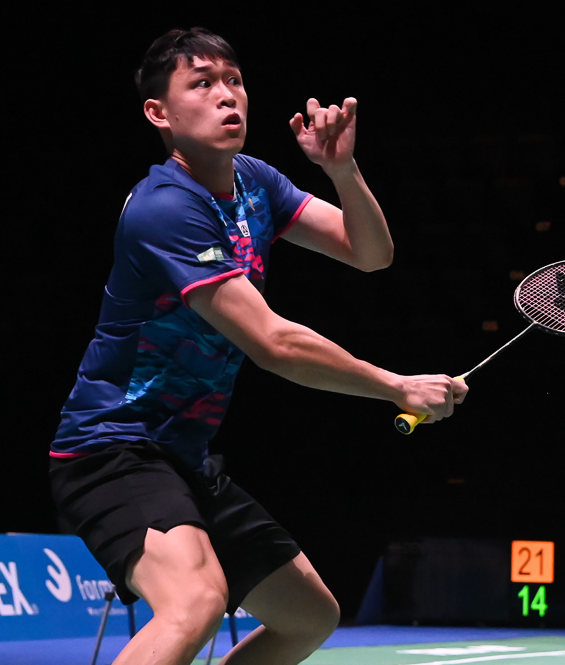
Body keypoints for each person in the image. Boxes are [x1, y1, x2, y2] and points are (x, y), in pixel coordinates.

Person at [48, 27, 467, 665]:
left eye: (234, 80)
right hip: (111, 448)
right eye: (202, 83)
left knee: (307, 617)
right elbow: (273, 342)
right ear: (159, 113)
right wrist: (396, 386)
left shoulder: (254, 183)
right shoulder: (165, 208)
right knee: (194, 603)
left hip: (182, 455)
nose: (227, 96)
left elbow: (371, 254)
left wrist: (342, 170)